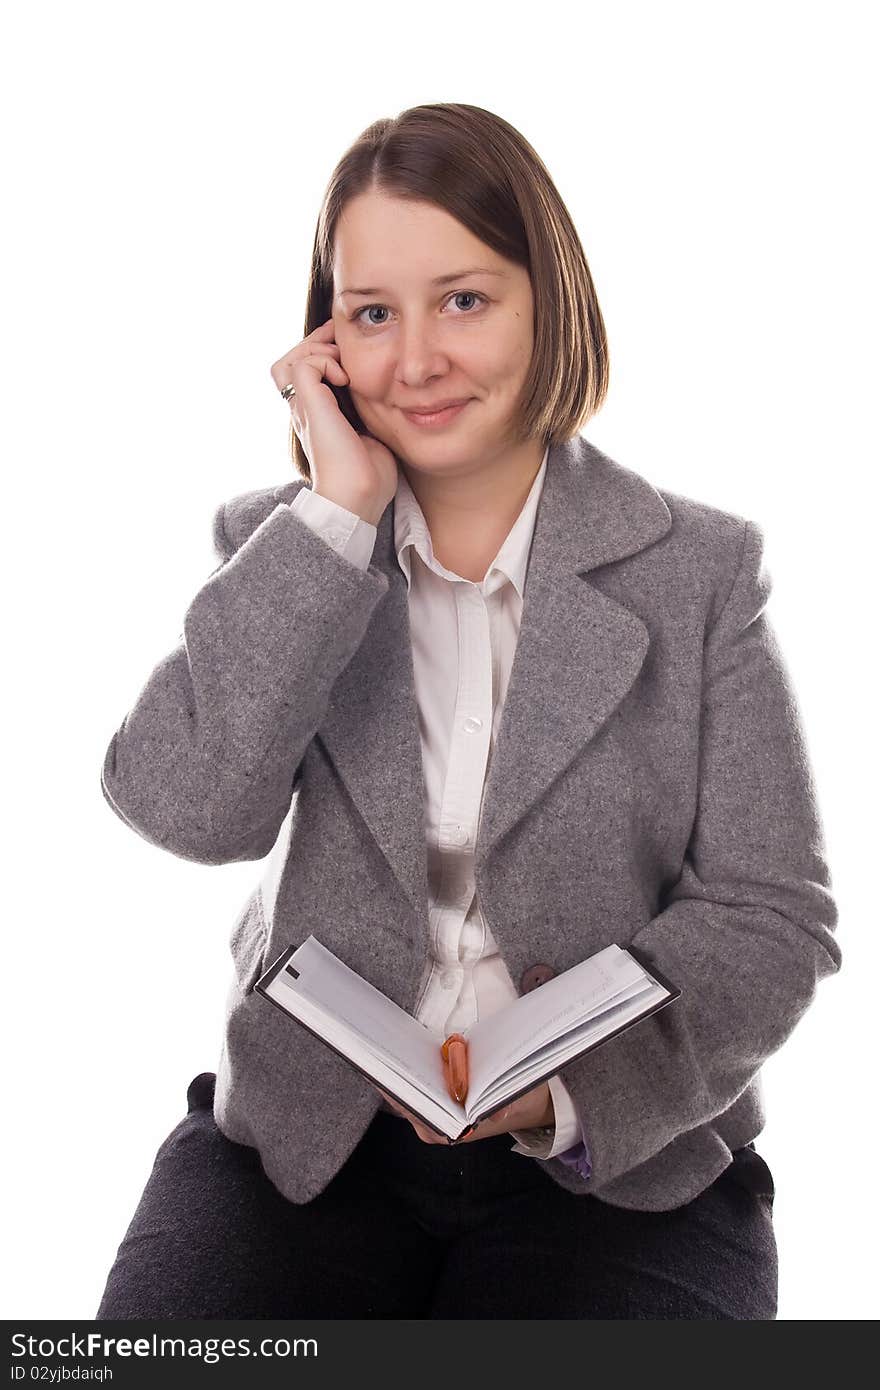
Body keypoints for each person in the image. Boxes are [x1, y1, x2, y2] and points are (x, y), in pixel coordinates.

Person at [94, 102, 840, 1321]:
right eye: (372, 314)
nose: (417, 360)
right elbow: (185, 809)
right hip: (307, 1144)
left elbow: (772, 916)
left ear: (550, 302)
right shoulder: (282, 546)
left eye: (466, 299)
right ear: (324, 341)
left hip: (619, 1158)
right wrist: (334, 516)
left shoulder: (697, 569)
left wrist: (571, 1093)